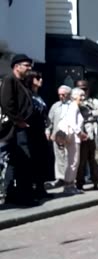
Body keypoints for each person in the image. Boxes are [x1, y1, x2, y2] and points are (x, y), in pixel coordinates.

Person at [0, 54, 37, 206]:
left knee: (16, 162)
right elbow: (6, 103)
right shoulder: (10, 80)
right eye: (26, 65)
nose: (29, 68)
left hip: (23, 128)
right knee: (23, 161)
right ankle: (23, 197)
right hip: (16, 129)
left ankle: (13, 194)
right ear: (17, 66)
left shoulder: (23, 83)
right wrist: (18, 121)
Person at [23, 70, 53, 199]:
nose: (41, 80)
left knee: (42, 160)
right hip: (31, 131)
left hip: (41, 131)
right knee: (33, 161)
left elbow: (44, 114)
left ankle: (41, 188)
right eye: (37, 78)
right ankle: (32, 189)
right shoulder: (27, 94)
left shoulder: (39, 96)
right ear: (31, 79)